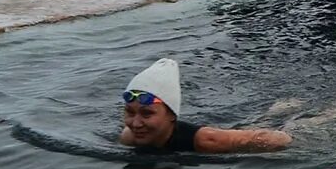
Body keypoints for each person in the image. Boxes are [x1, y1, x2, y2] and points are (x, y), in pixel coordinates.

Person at [119, 59, 292, 154]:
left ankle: (286, 107)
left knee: (270, 123)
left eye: (147, 114)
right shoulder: (129, 137)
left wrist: (294, 132)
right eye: (130, 112)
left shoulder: (207, 141)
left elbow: (280, 139)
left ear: (172, 115)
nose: (135, 123)